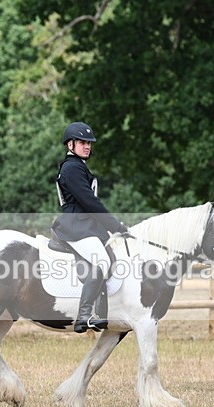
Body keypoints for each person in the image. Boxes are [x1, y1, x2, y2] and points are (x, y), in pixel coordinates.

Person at [51, 121, 129, 333]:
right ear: (70, 145)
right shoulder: (72, 168)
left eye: (89, 143)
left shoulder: (78, 166)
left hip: (86, 226)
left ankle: (102, 310)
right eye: (82, 142)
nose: (87, 146)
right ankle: (84, 315)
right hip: (77, 226)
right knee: (102, 261)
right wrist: (115, 225)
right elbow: (89, 202)